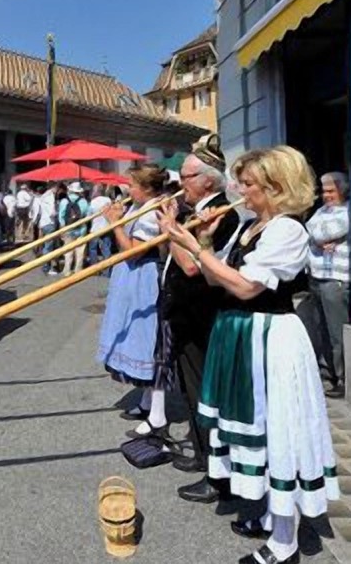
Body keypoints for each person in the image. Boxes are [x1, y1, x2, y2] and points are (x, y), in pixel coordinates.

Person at [160, 146, 338, 564]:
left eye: (249, 184)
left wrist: (194, 246)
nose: (240, 190)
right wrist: (201, 239)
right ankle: (269, 516)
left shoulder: (288, 229)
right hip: (243, 334)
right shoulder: (250, 226)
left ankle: (285, 542)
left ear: (276, 187)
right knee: (253, 428)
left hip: (270, 337)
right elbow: (214, 278)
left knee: (278, 431)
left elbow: (244, 287)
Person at [159, 138, 242, 503]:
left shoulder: (223, 213)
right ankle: (201, 452)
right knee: (190, 392)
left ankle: (216, 473)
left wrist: (171, 230)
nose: (181, 183)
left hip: (202, 317)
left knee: (204, 393)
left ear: (207, 180)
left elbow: (193, 266)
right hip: (185, 314)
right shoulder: (196, 211)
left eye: (187, 176)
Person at [95, 164, 168, 427]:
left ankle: (156, 410)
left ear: (147, 188)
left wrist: (115, 223)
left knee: (146, 340)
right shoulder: (139, 206)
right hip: (132, 276)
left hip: (143, 276)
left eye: (132, 185)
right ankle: (147, 401)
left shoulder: (151, 212)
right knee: (136, 336)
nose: (128, 190)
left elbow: (134, 252)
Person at [304, 171, 351, 399]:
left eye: (331, 191)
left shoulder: (350, 211)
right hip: (317, 275)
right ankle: (327, 373)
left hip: (335, 278)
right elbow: (309, 230)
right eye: (324, 191)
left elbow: (328, 231)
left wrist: (319, 237)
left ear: (343, 190)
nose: (326, 195)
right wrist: (318, 238)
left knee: (336, 332)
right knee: (321, 328)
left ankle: (342, 378)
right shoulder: (322, 211)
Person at [57, 181, 91, 276]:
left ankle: (67, 270)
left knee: (68, 251)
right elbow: (88, 215)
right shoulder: (84, 202)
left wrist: (62, 227)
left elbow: (61, 216)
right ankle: (78, 270)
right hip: (81, 229)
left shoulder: (64, 201)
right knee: (80, 251)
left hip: (68, 229)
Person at [87, 185, 115, 275]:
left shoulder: (93, 202)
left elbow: (89, 215)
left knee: (93, 249)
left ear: (96, 191)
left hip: (95, 228)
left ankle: (94, 270)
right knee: (106, 249)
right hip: (106, 227)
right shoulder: (108, 200)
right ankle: (107, 271)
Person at [34, 185, 58, 274]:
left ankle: (46, 266)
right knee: (48, 247)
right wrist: (56, 211)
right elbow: (52, 213)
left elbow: (39, 211)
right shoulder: (51, 198)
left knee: (45, 246)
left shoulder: (43, 197)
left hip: (43, 223)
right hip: (49, 223)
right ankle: (46, 267)